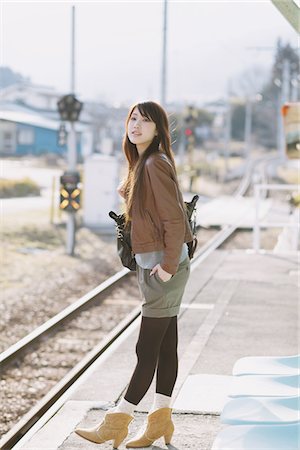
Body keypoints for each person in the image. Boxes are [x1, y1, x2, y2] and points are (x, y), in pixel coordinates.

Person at [75, 101, 193, 448]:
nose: (136, 125)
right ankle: (160, 421)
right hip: (156, 264)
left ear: (159, 129)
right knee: (166, 344)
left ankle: (117, 421)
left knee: (146, 348)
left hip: (163, 268)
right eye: (133, 119)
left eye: (145, 120)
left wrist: (169, 267)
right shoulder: (145, 163)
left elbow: (173, 219)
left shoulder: (154, 163)